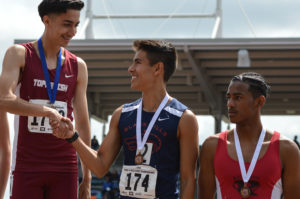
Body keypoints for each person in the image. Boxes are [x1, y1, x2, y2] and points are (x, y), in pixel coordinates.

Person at [51, 40, 199, 199]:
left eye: (138, 62)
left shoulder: (184, 118)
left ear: (157, 68)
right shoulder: (122, 114)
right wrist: (73, 137)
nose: (130, 69)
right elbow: (100, 167)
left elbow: (188, 180)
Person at [0, 0, 91, 198]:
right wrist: (46, 111)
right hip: (27, 165)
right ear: (47, 20)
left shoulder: (78, 66)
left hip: (65, 168)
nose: (73, 32)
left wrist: (88, 177)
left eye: (76, 25)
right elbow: (4, 99)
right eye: (67, 24)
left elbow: (83, 123)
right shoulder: (19, 54)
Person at [198, 72, 300, 199]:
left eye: (238, 97)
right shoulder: (212, 146)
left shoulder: (287, 149)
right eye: (228, 97)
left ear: (259, 101)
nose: (230, 104)